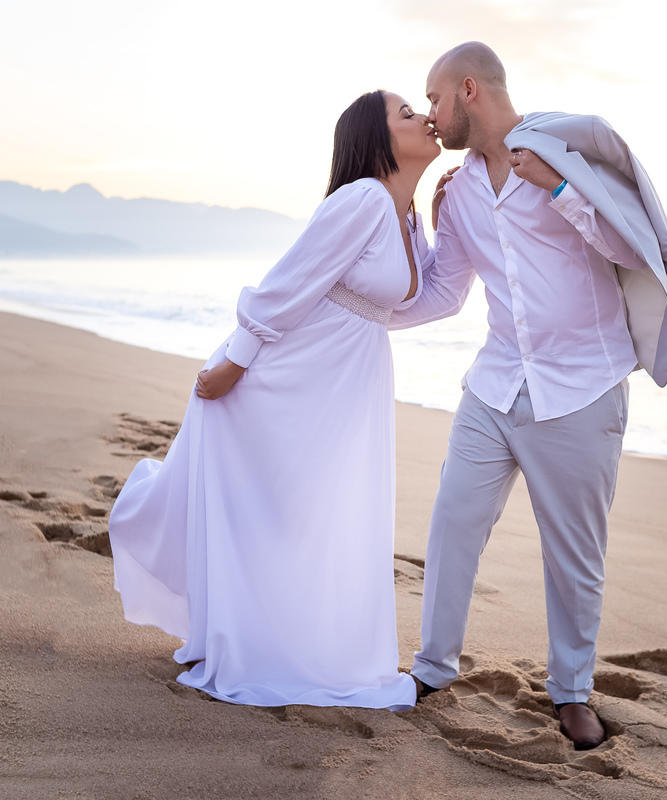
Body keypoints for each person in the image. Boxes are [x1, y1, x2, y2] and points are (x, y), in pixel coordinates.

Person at [388, 43, 667, 747]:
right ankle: (431, 670)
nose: (430, 115)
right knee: (453, 522)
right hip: (494, 387)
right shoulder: (460, 194)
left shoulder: (561, 156)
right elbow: (440, 296)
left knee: (574, 555)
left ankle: (572, 693)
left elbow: (632, 248)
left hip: (582, 388)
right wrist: (412, 225)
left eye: (434, 99)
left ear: (469, 89)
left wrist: (560, 187)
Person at [107, 89, 442, 711]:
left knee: (319, 513)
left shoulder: (405, 217)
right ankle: (258, 643)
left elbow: (418, 305)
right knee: (283, 512)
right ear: (376, 141)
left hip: (342, 382)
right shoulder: (363, 199)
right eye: (405, 113)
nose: (424, 116)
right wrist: (235, 361)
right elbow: (288, 281)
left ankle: (298, 641)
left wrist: (448, 230)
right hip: (286, 381)